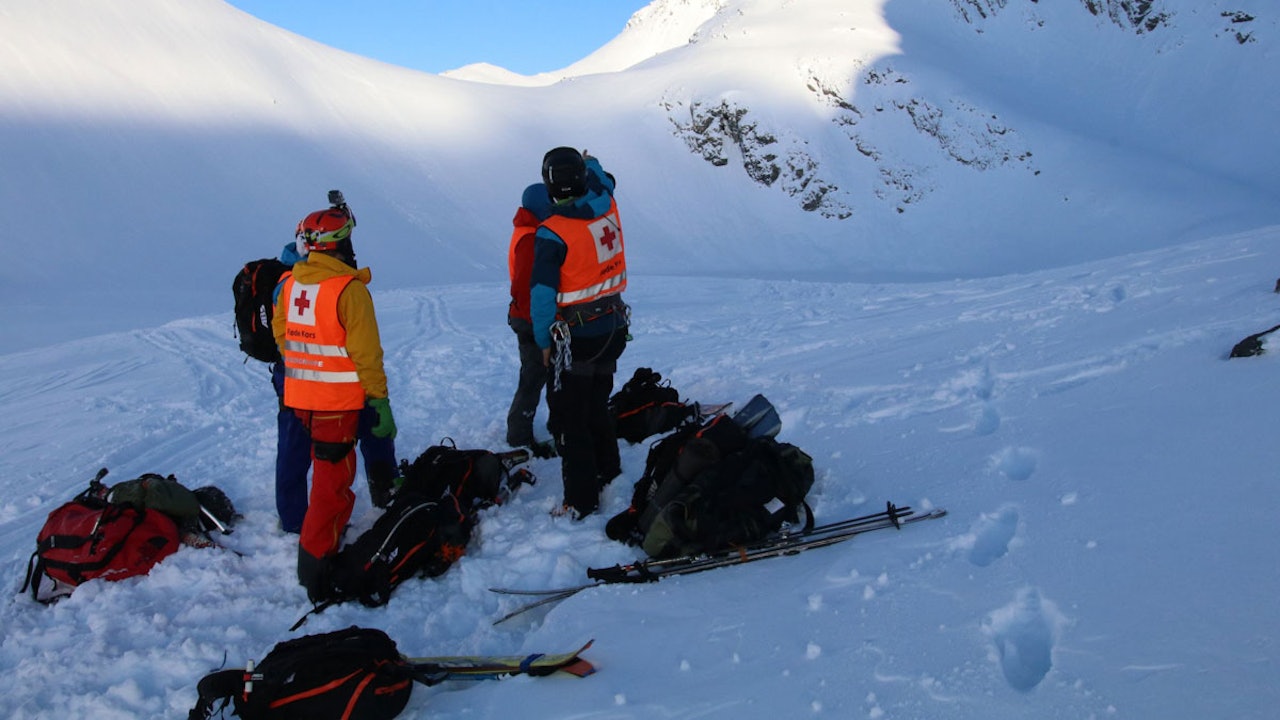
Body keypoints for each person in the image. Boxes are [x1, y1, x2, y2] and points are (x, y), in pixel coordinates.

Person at [273, 198, 398, 600]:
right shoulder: (349, 290)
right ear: (340, 242)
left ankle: (322, 538)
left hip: (300, 400)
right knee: (332, 483)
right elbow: (366, 355)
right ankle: (315, 567)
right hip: (335, 406)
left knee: (326, 473)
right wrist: (379, 401)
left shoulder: (290, 284)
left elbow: (282, 336)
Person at [530, 147, 629, 519]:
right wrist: (591, 162)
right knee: (597, 404)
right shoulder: (606, 204)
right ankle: (609, 471)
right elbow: (605, 180)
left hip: (577, 339)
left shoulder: (552, 232)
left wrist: (543, 342)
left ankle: (582, 500)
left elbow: (541, 296)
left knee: (570, 418)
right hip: (613, 328)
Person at [506, 182, 557, 459]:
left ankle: (538, 427)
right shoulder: (530, 238)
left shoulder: (530, 232)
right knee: (534, 375)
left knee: (540, 373)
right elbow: (527, 288)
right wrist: (540, 329)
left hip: (527, 316)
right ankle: (519, 435)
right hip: (530, 319)